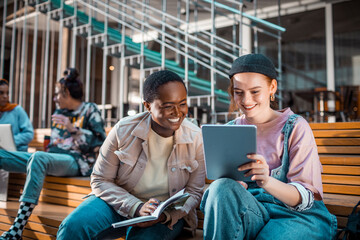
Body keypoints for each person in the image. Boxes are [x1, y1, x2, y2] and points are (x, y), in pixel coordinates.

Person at [200, 54, 337, 240]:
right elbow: (218, 198)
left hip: (297, 216)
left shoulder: (295, 126)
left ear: (272, 87)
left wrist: (267, 181)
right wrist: (230, 188)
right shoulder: (230, 130)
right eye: (238, 92)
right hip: (254, 212)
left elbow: (305, 199)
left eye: (255, 91)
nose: (246, 101)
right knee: (220, 188)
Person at [57, 70, 206, 240]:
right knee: (73, 228)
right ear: (148, 106)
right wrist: (135, 206)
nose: (178, 112)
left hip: (166, 215)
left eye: (182, 104)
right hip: (119, 201)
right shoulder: (123, 130)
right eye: (168, 106)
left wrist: (164, 215)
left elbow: (194, 192)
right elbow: (100, 180)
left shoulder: (195, 138)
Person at [0, 68, 106, 240]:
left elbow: (101, 143)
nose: (55, 98)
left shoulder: (89, 109)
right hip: (53, 159)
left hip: (77, 161)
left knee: (39, 157)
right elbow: (56, 145)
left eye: (57, 94)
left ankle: (17, 228)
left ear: (67, 93)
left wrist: (73, 130)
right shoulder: (59, 113)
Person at [0, 79, 34, 151]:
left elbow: (29, 134)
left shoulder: (17, 110)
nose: (5, 96)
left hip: (17, 153)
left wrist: (9, 141)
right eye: (1, 93)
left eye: (7, 93)